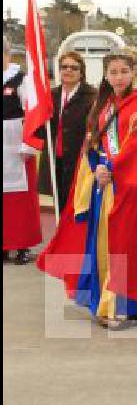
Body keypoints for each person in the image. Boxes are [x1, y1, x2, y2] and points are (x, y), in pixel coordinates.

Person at [37, 49, 137, 328]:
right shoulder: (104, 104)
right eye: (113, 72)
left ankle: (123, 307)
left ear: (135, 71)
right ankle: (105, 301)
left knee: (125, 246)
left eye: (124, 71)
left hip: (129, 188)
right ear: (105, 74)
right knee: (104, 245)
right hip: (104, 186)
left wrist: (110, 168)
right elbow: (94, 142)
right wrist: (96, 163)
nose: (119, 77)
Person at [37, 51, 97, 212]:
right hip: (55, 159)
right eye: (64, 67)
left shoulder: (91, 96)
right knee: (59, 205)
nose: (68, 70)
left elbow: (96, 128)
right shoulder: (51, 95)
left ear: (81, 72)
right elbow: (42, 128)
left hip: (79, 159)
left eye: (74, 67)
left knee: (77, 205)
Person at [3, 37, 43, 264]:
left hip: (16, 148)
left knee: (21, 201)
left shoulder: (21, 80)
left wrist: (29, 145)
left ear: (7, 54)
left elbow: (34, 114)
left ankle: (22, 246)